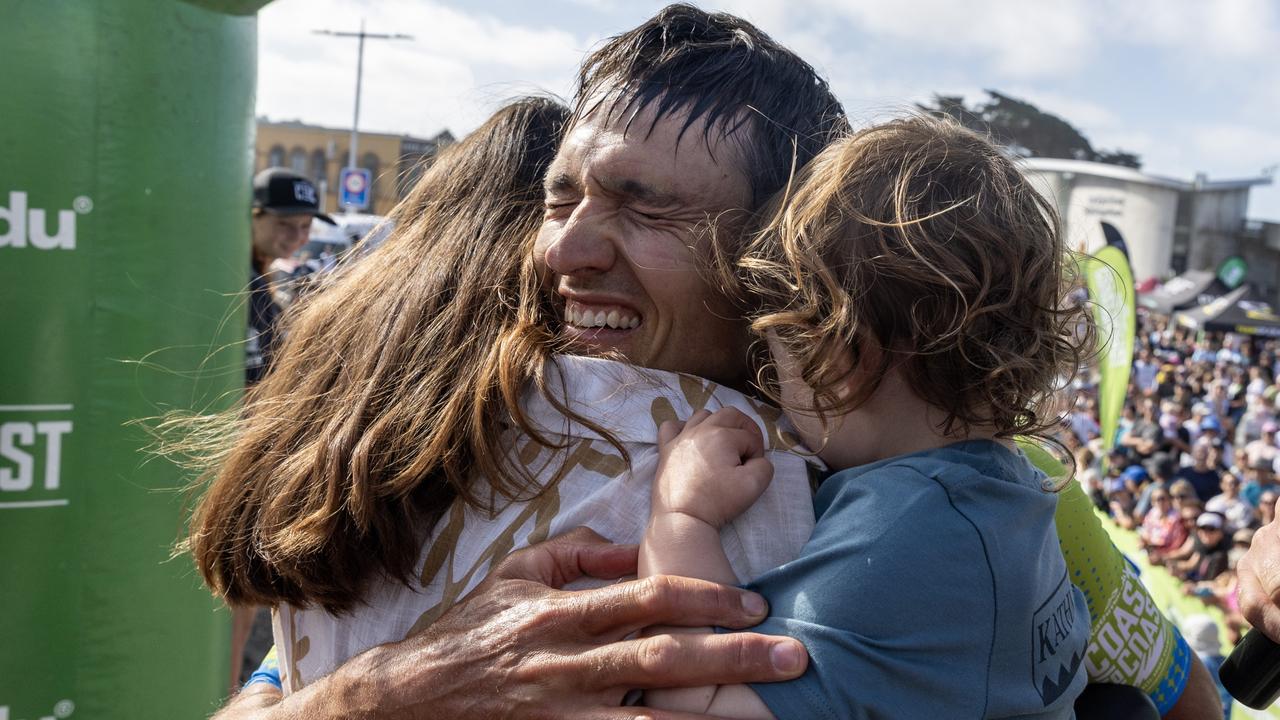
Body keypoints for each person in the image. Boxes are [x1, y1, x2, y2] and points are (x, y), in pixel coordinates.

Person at [207, 7, 1220, 719]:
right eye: (559, 203)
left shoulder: (941, 489)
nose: (562, 250)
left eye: (650, 210)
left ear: (782, 257)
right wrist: (373, 699)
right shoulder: (457, 429)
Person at [641, 116, 1090, 717]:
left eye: (776, 367)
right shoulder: (1013, 488)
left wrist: (681, 519)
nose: (777, 399)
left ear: (837, 357)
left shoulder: (900, 530)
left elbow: (699, 701)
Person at [232, 167, 338, 687]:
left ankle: (228, 686)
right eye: (286, 225)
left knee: (242, 598)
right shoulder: (230, 279)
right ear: (253, 216)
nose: (298, 236)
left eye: (304, 226)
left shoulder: (263, 283)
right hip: (225, 457)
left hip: (247, 462)